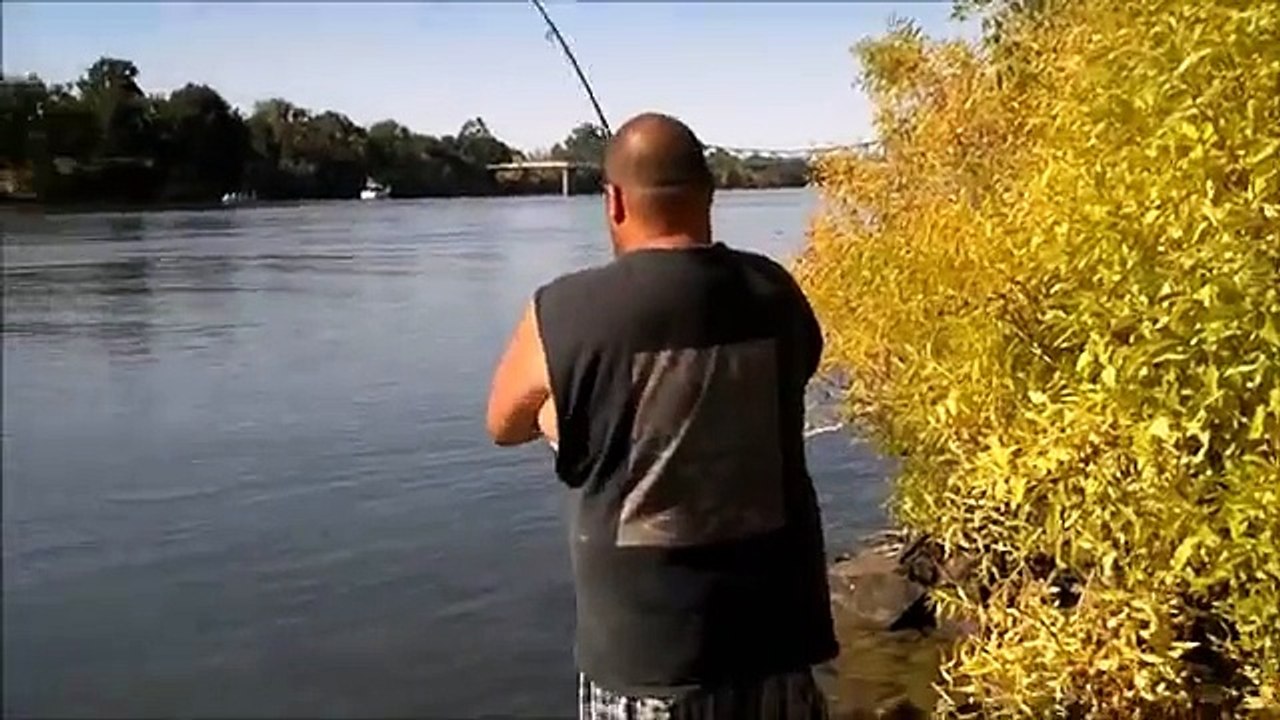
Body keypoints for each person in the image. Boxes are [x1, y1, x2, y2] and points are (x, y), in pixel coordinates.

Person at [485, 112, 837, 720]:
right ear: (710, 194)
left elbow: (503, 423)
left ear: (614, 201)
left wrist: (565, 422)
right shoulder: (775, 290)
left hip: (649, 663)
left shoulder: (565, 308)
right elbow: (792, 375)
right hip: (776, 646)